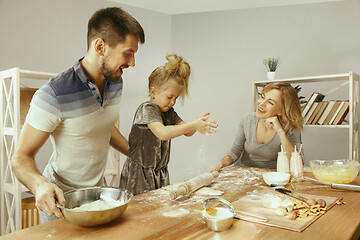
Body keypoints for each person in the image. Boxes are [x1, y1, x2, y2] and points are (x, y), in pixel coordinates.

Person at [11, 7, 145, 223]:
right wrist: (39, 184)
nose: (132, 63)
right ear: (100, 46)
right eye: (127, 53)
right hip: (61, 203)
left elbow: (100, 124)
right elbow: (20, 158)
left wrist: (138, 153)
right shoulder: (54, 93)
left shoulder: (116, 82)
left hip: (98, 197)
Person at [120, 53, 218, 196]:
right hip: (139, 174)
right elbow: (163, 133)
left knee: (158, 208)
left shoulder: (169, 112)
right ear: (153, 91)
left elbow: (187, 131)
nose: (172, 102)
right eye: (169, 97)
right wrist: (193, 125)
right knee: (140, 212)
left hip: (159, 173)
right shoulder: (146, 109)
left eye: (176, 98)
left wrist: (197, 124)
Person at [208, 82, 304, 172]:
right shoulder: (248, 120)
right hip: (244, 172)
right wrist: (220, 164)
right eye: (262, 97)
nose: (261, 103)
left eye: (270, 102)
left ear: (281, 111)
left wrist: (280, 131)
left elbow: (295, 163)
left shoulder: (290, 127)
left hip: (272, 175)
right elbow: (234, 153)